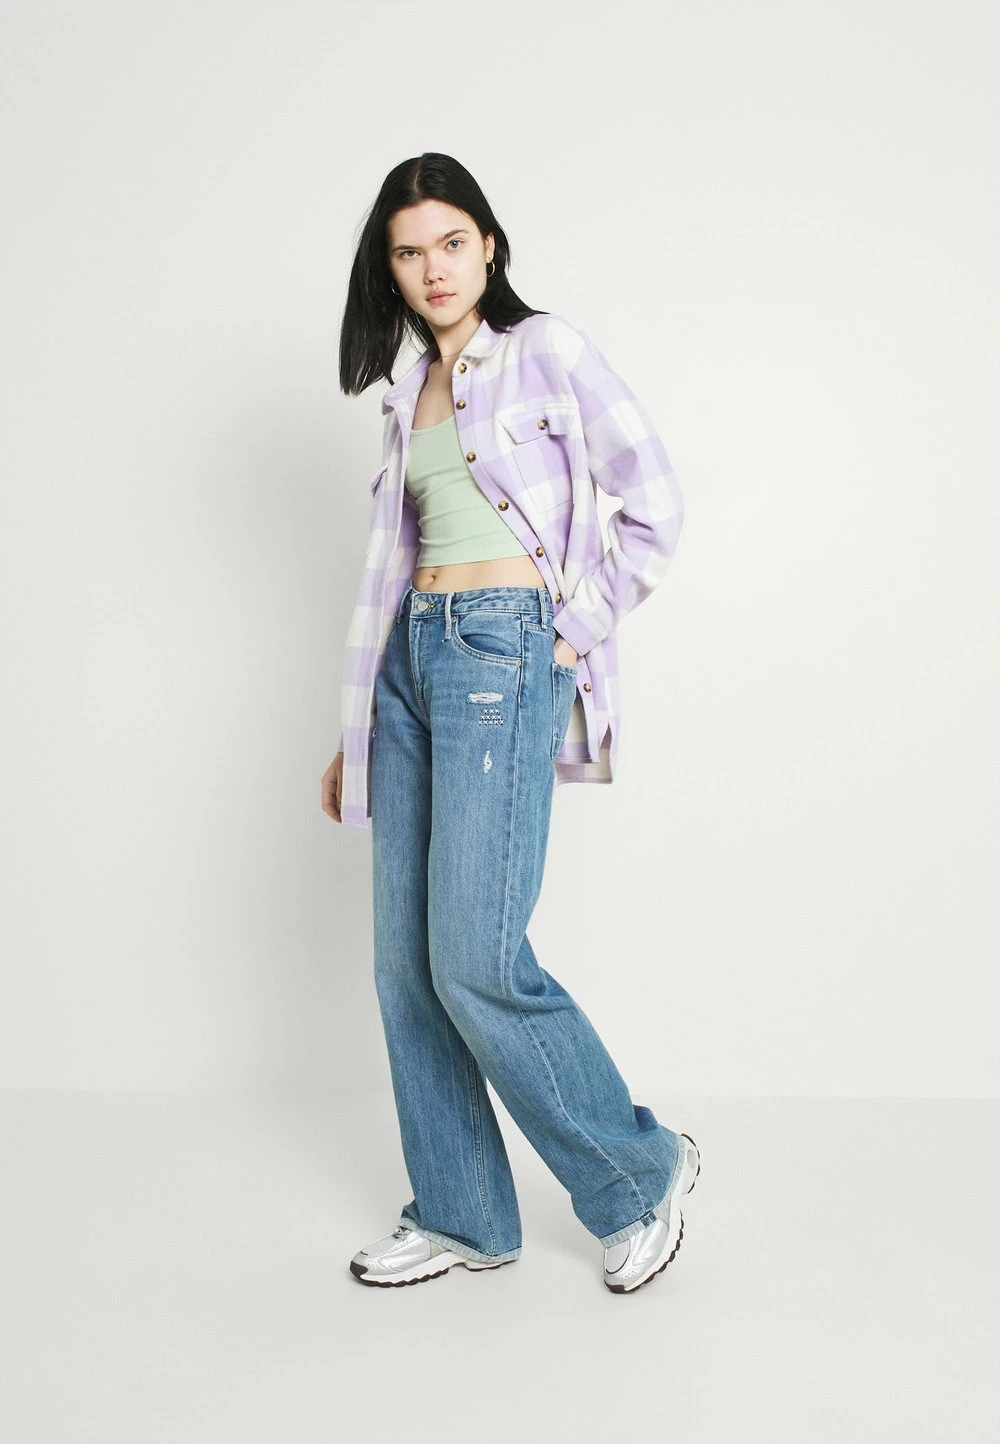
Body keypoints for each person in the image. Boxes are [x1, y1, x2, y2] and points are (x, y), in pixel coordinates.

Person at [321, 153, 700, 1294]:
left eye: (451, 242)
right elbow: (397, 566)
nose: (433, 268)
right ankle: (463, 1211)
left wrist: (566, 633)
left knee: (474, 958)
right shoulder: (407, 391)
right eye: (409, 252)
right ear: (388, 270)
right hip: (409, 663)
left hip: (500, 649)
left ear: (489, 245)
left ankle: (638, 1173)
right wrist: (354, 732)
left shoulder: (547, 351)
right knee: (405, 966)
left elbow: (656, 503)